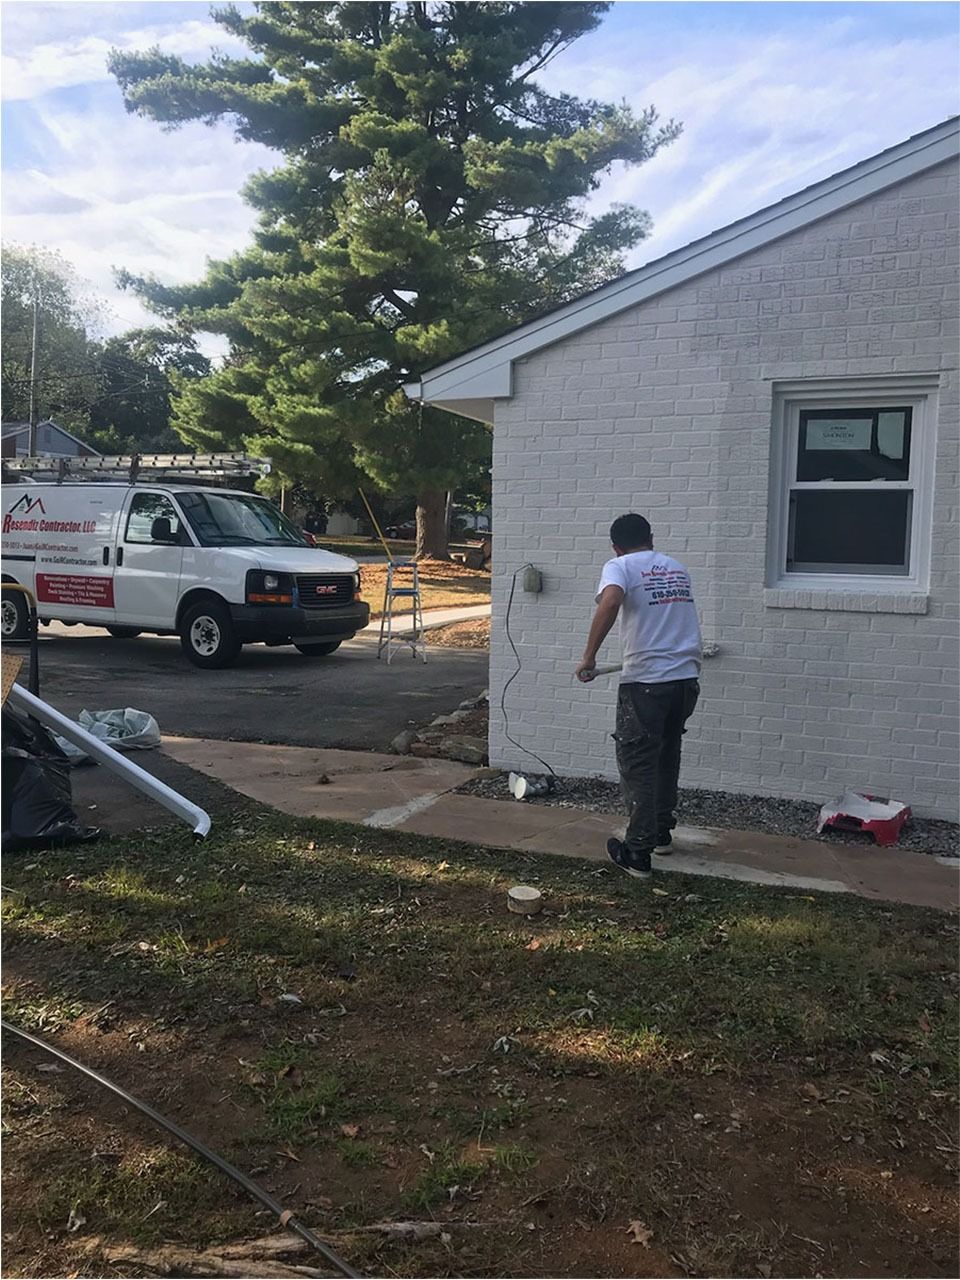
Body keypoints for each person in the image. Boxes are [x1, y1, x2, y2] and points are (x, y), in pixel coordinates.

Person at [575, 514, 702, 880]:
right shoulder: (676, 568)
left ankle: (638, 852)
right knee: (666, 755)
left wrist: (588, 658)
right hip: (685, 681)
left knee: (638, 762)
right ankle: (661, 832)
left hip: (647, 683)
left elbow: (611, 601)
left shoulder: (620, 566)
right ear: (651, 537)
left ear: (616, 546)